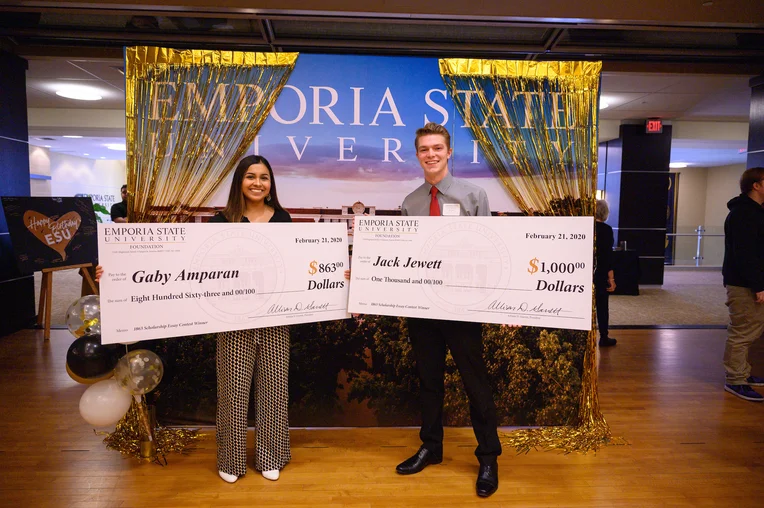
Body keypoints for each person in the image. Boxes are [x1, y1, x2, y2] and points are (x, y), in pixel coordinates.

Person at [396, 122, 501, 498]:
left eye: (437, 148)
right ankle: (432, 447)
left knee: (475, 383)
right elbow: (402, 257)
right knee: (428, 382)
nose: (431, 154)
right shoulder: (410, 203)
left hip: (462, 306)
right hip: (422, 307)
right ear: (418, 154)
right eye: (424, 149)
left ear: (449, 151)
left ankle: (488, 456)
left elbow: (490, 250)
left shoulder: (475, 195)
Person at [208, 155, 293, 482]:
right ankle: (230, 460)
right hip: (233, 320)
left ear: (271, 184)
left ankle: (271, 454)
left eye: (264, 177)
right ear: (239, 182)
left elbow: (296, 265)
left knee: (274, 388)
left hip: (275, 317)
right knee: (232, 390)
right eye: (251, 176)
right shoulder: (220, 222)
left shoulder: (283, 219)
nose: (258, 183)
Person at [722, 166, 764, 402]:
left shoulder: (754, 212)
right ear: (755, 185)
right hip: (744, 284)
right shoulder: (744, 214)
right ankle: (735, 379)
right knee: (743, 330)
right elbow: (745, 254)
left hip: (750, 281)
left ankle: (743, 374)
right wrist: (757, 285)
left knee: (751, 328)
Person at [595, 199, 617, 347]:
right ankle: (603, 336)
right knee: (602, 306)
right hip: (601, 272)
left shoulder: (584, 228)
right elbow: (608, 256)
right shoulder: (607, 230)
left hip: (584, 272)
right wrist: (612, 278)